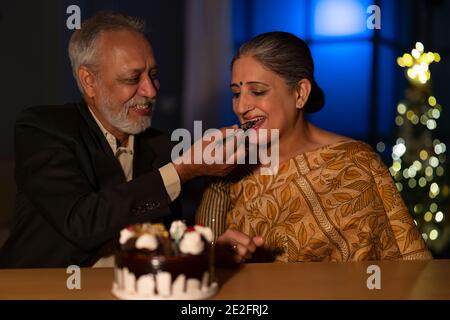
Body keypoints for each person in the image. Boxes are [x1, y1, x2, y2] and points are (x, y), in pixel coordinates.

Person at [0, 12, 239, 268]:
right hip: (40, 289)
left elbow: (170, 236)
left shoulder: (161, 145)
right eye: (133, 78)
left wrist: (212, 247)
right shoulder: (42, 129)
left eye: (153, 75)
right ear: (89, 81)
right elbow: (82, 223)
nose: (151, 91)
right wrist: (179, 172)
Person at [196, 31, 433, 263]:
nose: (241, 106)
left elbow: (404, 264)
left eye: (257, 91)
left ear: (300, 93)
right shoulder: (228, 166)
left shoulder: (355, 161)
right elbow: (201, 257)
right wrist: (220, 252)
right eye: (236, 93)